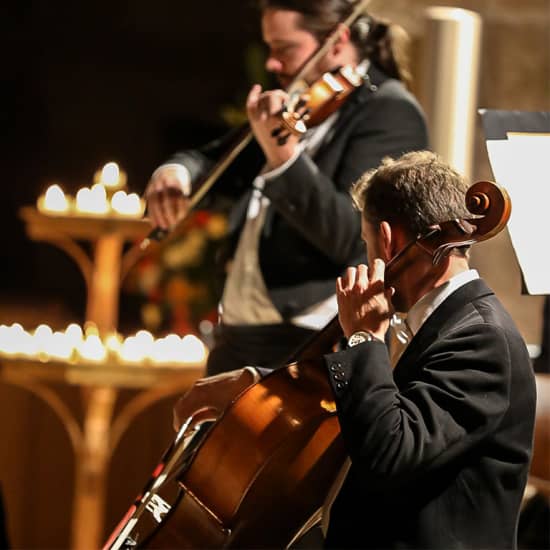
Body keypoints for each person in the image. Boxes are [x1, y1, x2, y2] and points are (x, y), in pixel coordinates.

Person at [144, 0, 428, 376]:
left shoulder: (390, 112)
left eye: (285, 49)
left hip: (310, 339)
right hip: (238, 334)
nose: (272, 64)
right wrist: (176, 173)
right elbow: (216, 160)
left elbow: (350, 234)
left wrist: (285, 160)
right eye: (270, 48)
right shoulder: (299, 103)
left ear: (337, 41)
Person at [323, 150, 537, 548]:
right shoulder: (444, 325)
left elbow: (389, 452)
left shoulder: (480, 339)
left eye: (367, 243)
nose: (369, 259)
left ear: (388, 241)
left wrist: (365, 339)